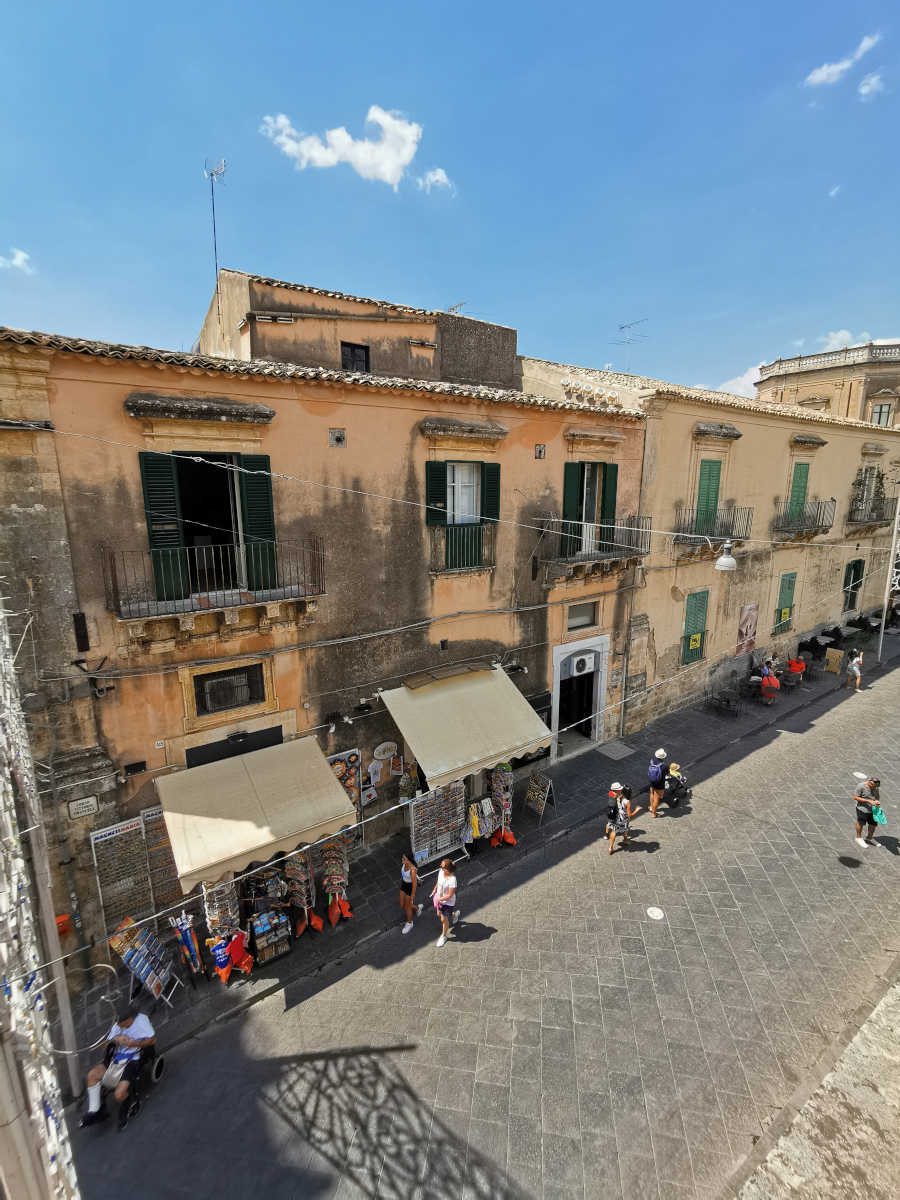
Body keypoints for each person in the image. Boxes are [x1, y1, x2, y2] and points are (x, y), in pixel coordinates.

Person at [80, 1007, 156, 1131]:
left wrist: (134, 1044)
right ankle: (95, 1111)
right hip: (115, 1058)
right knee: (92, 1076)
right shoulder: (118, 1026)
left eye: (123, 1025)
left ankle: (128, 1105)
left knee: (119, 1094)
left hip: (132, 1059)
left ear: (130, 1019)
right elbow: (104, 1045)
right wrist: (116, 1039)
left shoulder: (142, 1021)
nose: (120, 1027)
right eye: (119, 1025)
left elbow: (152, 1040)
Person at [430, 858, 459, 948]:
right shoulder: (441, 872)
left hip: (447, 903)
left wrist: (439, 899)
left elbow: (450, 895)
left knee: (443, 919)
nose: (440, 867)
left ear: (447, 869)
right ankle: (455, 915)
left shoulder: (452, 880)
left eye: (442, 866)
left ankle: (443, 936)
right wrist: (434, 889)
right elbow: (438, 881)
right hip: (439, 899)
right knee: (439, 914)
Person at [606, 782, 640, 855]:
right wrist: (636, 810)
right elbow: (630, 815)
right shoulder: (627, 801)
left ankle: (610, 848)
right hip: (623, 819)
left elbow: (613, 796)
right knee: (626, 828)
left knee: (614, 831)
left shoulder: (613, 795)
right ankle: (625, 840)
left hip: (616, 817)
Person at [399, 852, 423, 934]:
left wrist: (412, 896)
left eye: (404, 859)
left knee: (407, 907)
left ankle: (409, 923)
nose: (402, 860)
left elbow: (414, 885)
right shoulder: (404, 864)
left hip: (409, 888)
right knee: (402, 904)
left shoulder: (412, 870)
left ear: (409, 860)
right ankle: (417, 908)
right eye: (402, 858)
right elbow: (403, 875)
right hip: (404, 885)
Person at [854, 777, 881, 847]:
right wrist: (868, 801)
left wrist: (877, 801)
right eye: (874, 786)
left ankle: (869, 838)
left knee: (873, 824)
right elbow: (855, 797)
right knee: (860, 823)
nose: (875, 788)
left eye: (876, 786)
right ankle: (858, 838)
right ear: (869, 782)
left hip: (873, 809)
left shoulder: (876, 787)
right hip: (862, 809)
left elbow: (877, 796)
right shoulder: (861, 786)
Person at [648, 748, 668, 818]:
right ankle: (654, 813)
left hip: (652, 781)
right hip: (659, 784)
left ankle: (651, 807)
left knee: (652, 793)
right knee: (657, 798)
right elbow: (668, 774)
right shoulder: (664, 766)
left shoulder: (652, 761)